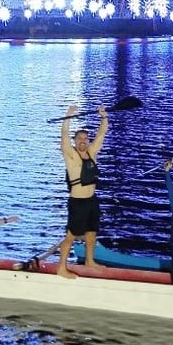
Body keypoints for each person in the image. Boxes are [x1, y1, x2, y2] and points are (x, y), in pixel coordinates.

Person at [57, 103, 108, 279]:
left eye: (85, 138)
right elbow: (64, 135)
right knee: (71, 236)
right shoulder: (70, 154)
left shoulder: (92, 152)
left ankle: (89, 260)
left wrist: (103, 116)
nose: (83, 141)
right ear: (75, 141)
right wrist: (68, 115)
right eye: (79, 138)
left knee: (92, 233)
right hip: (77, 202)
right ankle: (61, 268)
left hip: (92, 200)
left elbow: (102, 133)